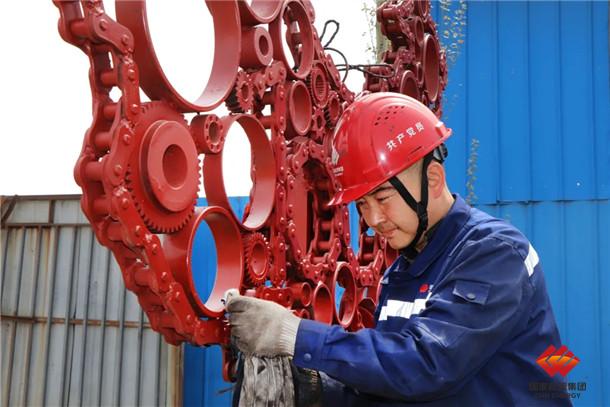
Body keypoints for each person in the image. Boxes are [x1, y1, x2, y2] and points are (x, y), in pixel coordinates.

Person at [226, 93, 571, 406]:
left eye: (382, 198)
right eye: (362, 204)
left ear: (433, 179)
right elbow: (393, 386)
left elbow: (428, 365)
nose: (373, 218)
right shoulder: (402, 272)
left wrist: (295, 335)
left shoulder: (494, 253)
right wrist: (315, 388)